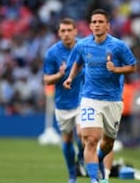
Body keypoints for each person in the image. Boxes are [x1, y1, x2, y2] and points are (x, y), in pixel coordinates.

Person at [63, 8, 137, 183]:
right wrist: (70, 77)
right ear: (90, 25)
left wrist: (117, 69)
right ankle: (95, 179)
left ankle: (99, 157)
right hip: (90, 98)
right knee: (90, 139)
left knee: (108, 143)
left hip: (113, 100)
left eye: (100, 22)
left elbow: (133, 66)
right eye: (94, 22)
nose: (96, 25)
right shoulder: (83, 45)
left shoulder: (118, 46)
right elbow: (77, 63)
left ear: (108, 25)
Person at [43, 18, 85, 183]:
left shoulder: (84, 47)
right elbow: (46, 79)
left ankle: (82, 157)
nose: (66, 34)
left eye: (69, 30)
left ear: (75, 31)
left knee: (82, 135)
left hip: (84, 99)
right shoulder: (52, 53)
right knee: (67, 139)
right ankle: (72, 174)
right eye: (63, 31)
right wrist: (60, 75)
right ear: (59, 33)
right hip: (63, 103)